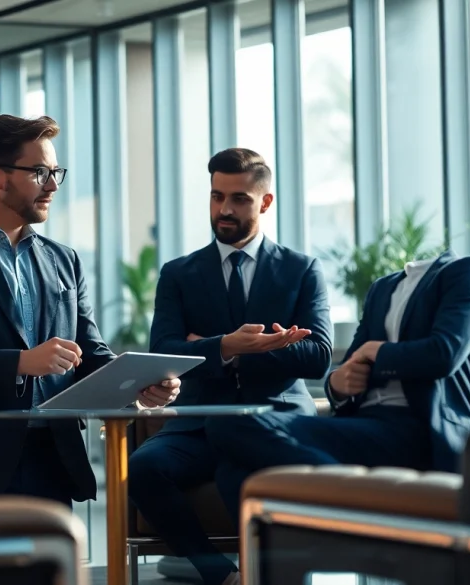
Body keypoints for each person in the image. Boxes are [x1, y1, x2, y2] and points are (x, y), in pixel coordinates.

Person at [0, 114, 180, 507]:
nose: (52, 185)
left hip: (52, 458)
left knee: (52, 570)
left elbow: (89, 352)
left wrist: (139, 384)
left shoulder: (65, 260)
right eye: (40, 172)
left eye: (55, 172)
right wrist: (20, 362)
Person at [127, 148, 333, 585]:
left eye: (239, 198)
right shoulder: (178, 273)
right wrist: (228, 346)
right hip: (198, 424)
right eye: (217, 196)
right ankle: (221, 576)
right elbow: (163, 348)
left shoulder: (302, 270)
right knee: (144, 468)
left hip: (273, 418)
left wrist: (228, 347)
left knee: (239, 466)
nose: (224, 209)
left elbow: (318, 356)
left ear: (265, 202)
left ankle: (272, 572)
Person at [208, 251, 470, 554]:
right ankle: (340, 502)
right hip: (366, 427)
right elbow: (350, 362)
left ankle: (335, 517)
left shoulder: (466, 272)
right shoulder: (383, 287)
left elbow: (444, 353)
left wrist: (378, 353)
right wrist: (338, 385)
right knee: (227, 430)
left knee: (233, 460)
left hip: (423, 428)